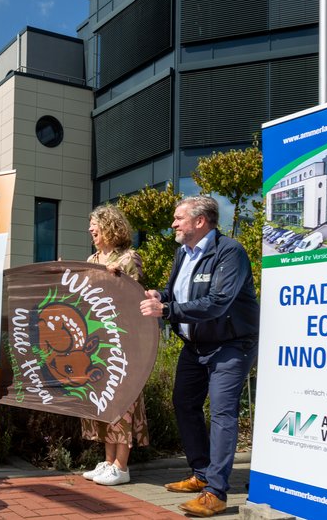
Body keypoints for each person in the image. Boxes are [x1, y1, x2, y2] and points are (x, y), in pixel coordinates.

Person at [140, 196, 259, 518]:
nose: (174, 224)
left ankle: (216, 493)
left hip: (231, 344)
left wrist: (166, 310)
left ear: (200, 221)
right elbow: (178, 293)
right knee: (184, 403)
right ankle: (201, 473)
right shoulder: (183, 253)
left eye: (179, 218)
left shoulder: (229, 251)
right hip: (195, 346)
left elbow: (218, 301)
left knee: (222, 413)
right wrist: (160, 296)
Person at [81, 204, 149, 487]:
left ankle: (122, 466)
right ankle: (108, 462)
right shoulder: (92, 258)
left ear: (109, 227)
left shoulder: (129, 258)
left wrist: (114, 279)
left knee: (122, 400)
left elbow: (135, 299)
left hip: (123, 341)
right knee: (104, 400)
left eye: (94, 226)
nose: (90, 231)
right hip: (98, 343)